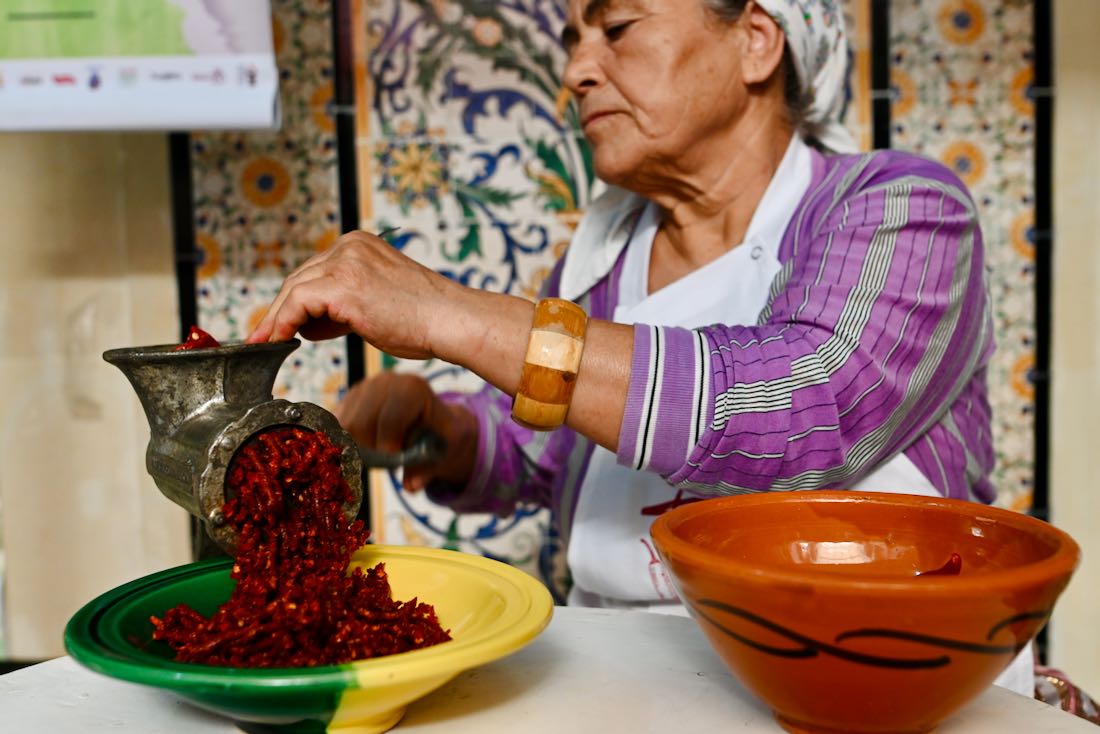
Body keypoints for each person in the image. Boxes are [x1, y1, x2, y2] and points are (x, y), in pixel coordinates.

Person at [251, 0, 1019, 685]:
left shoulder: (900, 208)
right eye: (573, 41)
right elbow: (540, 450)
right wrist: (441, 430)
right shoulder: (604, 264)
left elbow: (803, 402)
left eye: (616, 28)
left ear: (756, 40)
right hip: (627, 675)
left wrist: (451, 313)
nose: (577, 72)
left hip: (875, 678)